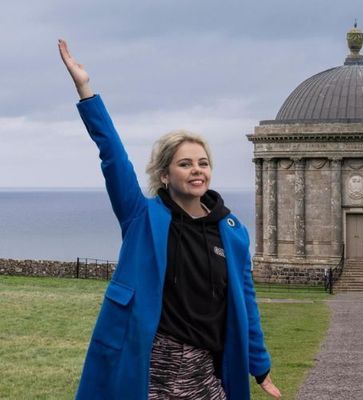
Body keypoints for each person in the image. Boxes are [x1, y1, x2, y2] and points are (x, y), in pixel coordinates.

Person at [58, 39, 281, 400]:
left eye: (203, 163)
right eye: (185, 163)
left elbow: (245, 303)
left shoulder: (232, 231)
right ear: (164, 175)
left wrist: (261, 365)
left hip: (207, 370)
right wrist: (86, 90)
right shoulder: (141, 217)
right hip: (150, 368)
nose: (197, 170)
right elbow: (113, 157)